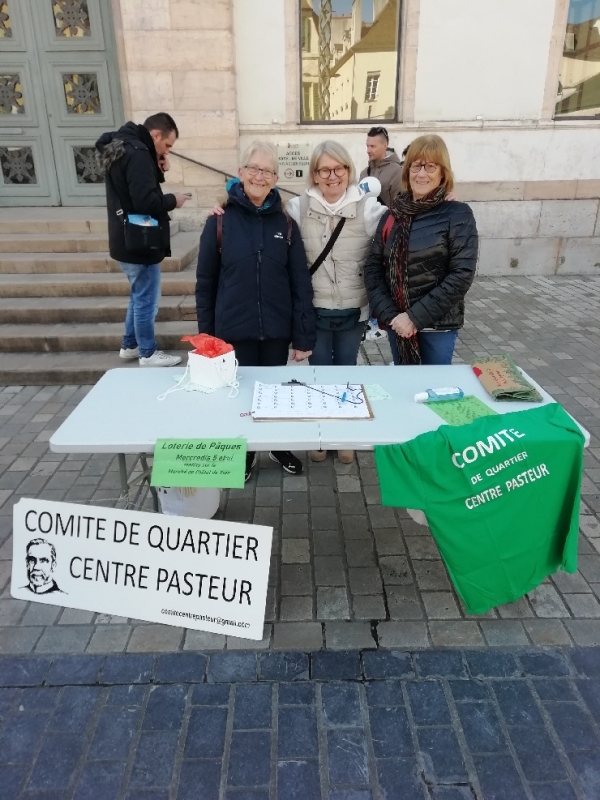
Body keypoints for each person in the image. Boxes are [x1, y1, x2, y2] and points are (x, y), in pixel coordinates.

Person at [196, 141, 316, 481]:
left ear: (276, 178)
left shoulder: (286, 224)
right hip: (234, 332)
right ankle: (245, 454)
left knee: (278, 396)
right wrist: (207, 340)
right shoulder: (219, 222)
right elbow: (205, 284)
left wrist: (303, 334)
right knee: (241, 401)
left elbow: (299, 283)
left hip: (277, 332)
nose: (260, 176)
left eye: (267, 171)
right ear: (241, 173)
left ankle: (278, 446)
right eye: (254, 169)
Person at [287, 140, 387, 464]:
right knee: (318, 372)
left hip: (353, 308)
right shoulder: (297, 208)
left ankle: (344, 434)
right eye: (324, 169)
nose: (332, 176)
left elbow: (401, 226)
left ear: (348, 170)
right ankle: (320, 434)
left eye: (339, 168)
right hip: (313, 308)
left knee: (345, 370)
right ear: (314, 174)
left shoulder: (368, 208)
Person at [364, 134, 478, 367]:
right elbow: (373, 267)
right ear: (407, 171)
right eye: (416, 165)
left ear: (443, 172)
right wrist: (391, 315)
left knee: (433, 393)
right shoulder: (392, 214)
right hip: (397, 322)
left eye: (431, 166)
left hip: (437, 326)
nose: (422, 173)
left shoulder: (457, 214)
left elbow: (461, 274)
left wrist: (413, 318)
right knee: (406, 388)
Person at [96, 112, 190, 367]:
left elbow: (138, 188)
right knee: (147, 300)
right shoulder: (137, 153)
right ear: (156, 135)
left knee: (139, 295)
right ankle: (148, 352)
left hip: (126, 237)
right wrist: (174, 200)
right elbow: (146, 201)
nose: (167, 151)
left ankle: (130, 345)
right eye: (167, 146)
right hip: (139, 240)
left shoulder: (123, 146)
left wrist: (159, 167)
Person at [359, 126, 403, 209]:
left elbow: (401, 207)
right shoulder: (364, 173)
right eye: (367, 146)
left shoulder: (397, 172)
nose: (368, 151)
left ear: (384, 146)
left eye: (372, 146)